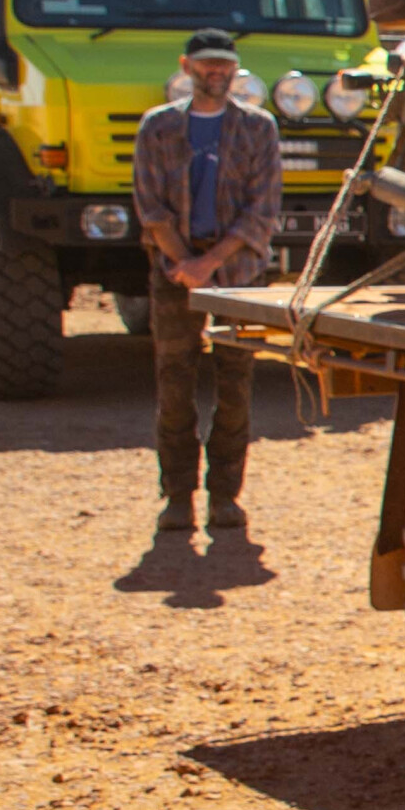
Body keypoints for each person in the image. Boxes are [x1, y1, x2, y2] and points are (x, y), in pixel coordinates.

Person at [128, 27, 281, 535]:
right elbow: (149, 206)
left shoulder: (259, 129)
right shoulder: (157, 128)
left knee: (235, 383)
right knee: (174, 383)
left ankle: (225, 496)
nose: (215, 73)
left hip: (237, 274)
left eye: (224, 65)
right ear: (186, 67)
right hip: (174, 271)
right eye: (206, 64)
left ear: (235, 70)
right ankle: (177, 496)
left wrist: (209, 264)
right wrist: (184, 263)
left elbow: (263, 210)